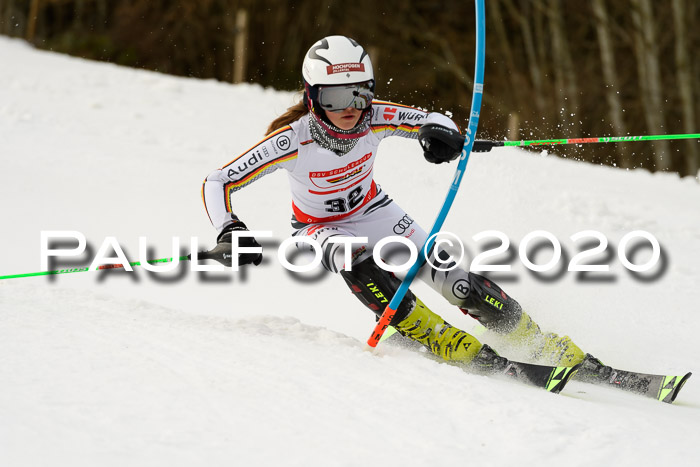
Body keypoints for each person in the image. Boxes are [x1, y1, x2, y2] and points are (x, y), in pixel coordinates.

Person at [200, 35, 585, 371]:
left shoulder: (375, 117)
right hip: (317, 228)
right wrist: (229, 229)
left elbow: (433, 119)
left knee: (453, 279)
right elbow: (218, 180)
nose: (350, 107)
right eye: (335, 97)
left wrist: (440, 136)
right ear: (312, 96)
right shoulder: (291, 140)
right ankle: (435, 335)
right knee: (351, 255)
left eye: (360, 92)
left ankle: (531, 337)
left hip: (375, 211)